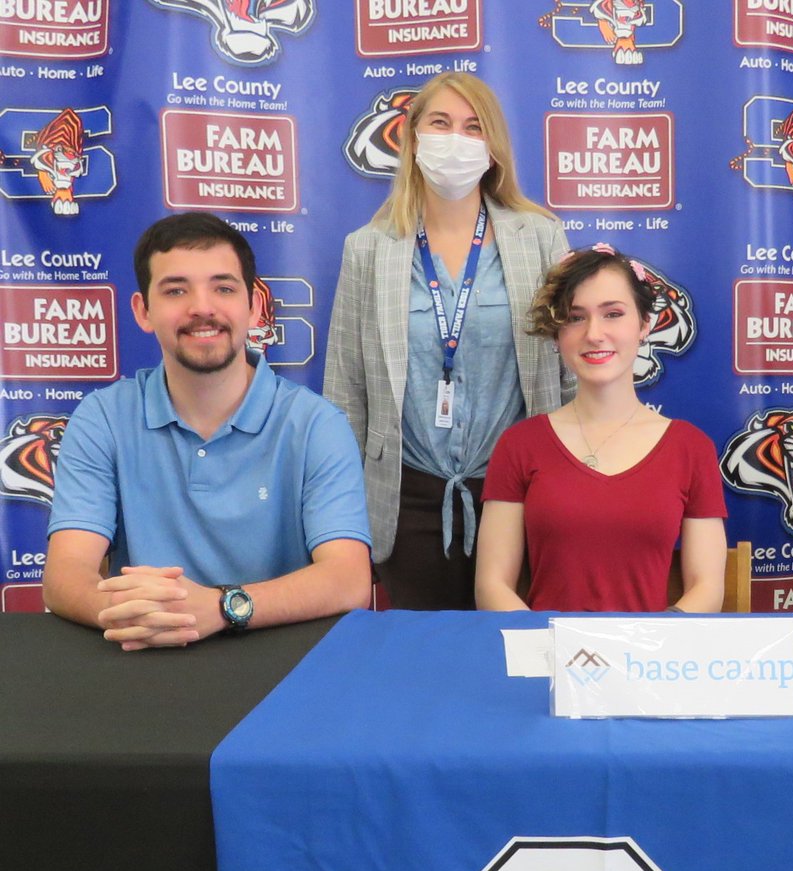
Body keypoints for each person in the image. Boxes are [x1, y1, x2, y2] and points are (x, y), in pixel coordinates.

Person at [43, 212, 372, 649]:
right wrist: (148, 615)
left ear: (254, 307)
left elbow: (348, 579)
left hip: (286, 662)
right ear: (143, 311)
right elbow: (65, 574)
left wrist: (222, 608)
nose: (202, 307)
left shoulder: (316, 425)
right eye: (176, 290)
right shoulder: (102, 418)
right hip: (147, 652)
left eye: (223, 288)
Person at [324, 73, 571, 610]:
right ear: (413, 138)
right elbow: (345, 392)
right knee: (424, 654)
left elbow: (568, 376)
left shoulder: (540, 237)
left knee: (515, 649)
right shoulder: (368, 248)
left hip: (520, 494)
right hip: (405, 500)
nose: (456, 140)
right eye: (440, 123)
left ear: (493, 145)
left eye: (473, 127)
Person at [475, 245, 727, 612]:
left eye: (613, 314)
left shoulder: (691, 448)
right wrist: (547, 641)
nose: (594, 333)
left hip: (651, 647)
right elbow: (491, 585)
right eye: (575, 317)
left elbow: (708, 588)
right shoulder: (519, 445)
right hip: (545, 645)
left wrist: (649, 640)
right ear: (557, 333)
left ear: (644, 324)